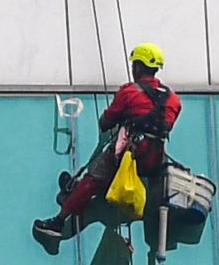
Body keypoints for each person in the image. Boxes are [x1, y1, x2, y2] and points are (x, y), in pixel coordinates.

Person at [37, 42, 180, 252]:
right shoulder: (173, 100)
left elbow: (106, 121)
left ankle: (58, 223)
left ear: (138, 67)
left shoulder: (130, 92)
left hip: (131, 154)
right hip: (154, 159)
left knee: (93, 177)